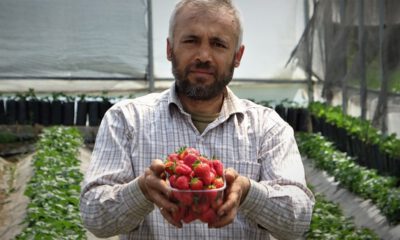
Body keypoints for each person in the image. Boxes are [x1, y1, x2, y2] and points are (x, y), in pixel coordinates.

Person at [79, 0, 315, 239]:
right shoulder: (127, 120)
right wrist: (141, 191)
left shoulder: (268, 128)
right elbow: (95, 217)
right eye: (191, 41)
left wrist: (248, 193)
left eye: (218, 44)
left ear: (238, 55)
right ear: (170, 49)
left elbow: (299, 220)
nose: (203, 55)